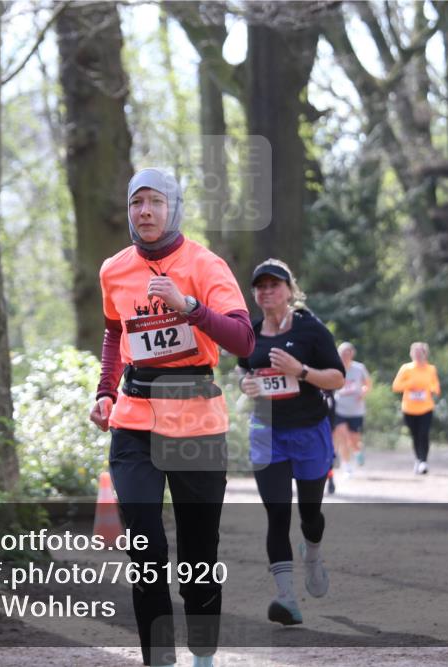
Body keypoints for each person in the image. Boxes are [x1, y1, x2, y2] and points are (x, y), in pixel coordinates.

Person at [89, 168, 254, 667]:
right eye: (137, 202)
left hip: (197, 422)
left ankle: (203, 655)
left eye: (155, 202)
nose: (145, 211)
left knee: (199, 554)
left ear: (174, 207)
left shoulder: (205, 265)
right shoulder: (114, 269)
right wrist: (104, 391)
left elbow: (244, 340)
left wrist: (190, 308)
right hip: (135, 420)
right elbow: (116, 332)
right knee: (145, 549)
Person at [236, 259, 345, 626]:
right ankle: (286, 598)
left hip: (309, 430)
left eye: (274, 285)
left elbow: (337, 379)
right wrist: (246, 385)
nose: (267, 292)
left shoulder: (311, 330)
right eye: (260, 287)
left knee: (310, 514)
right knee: (277, 513)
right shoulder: (248, 333)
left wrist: (299, 371)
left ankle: (312, 552)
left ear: (289, 289)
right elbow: (244, 371)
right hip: (266, 433)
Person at [391, 342, 441, 474]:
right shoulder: (406, 368)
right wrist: (410, 384)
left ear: (425, 354)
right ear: (411, 354)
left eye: (421, 353)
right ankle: (418, 459)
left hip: (426, 408)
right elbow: (396, 386)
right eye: (415, 353)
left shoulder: (431, 369)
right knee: (415, 435)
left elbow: (436, 387)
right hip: (409, 408)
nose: (418, 355)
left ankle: (424, 461)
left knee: (424, 434)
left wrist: (430, 389)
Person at [331, 342, 372, 480]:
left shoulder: (359, 368)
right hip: (340, 408)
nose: (345, 355)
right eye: (342, 353)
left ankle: (358, 451)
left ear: (352, 354)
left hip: (356, 410)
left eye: (348, 352)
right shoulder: (335, 368)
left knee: (353, 439)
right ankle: (347, 466)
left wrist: (363, 393)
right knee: (342, 436)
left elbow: (368, 384)